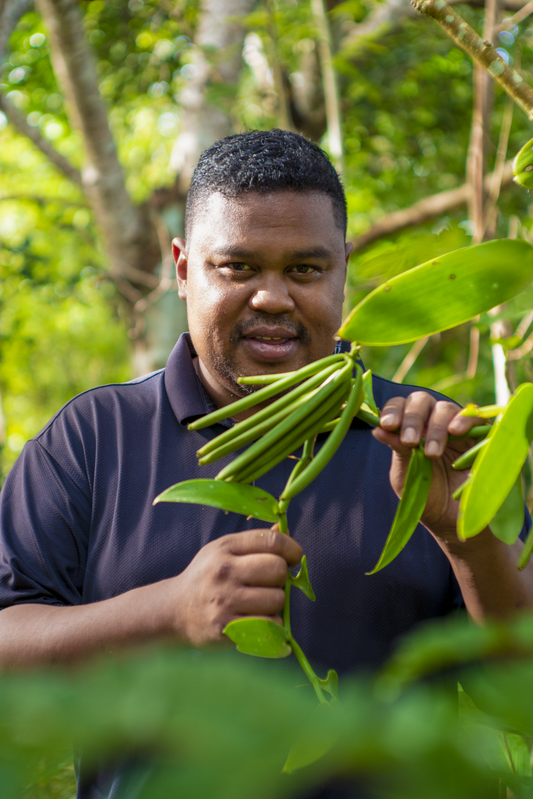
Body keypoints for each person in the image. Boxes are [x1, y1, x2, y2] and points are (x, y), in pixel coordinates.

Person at [0, 129, 532, 798]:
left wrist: (469, 536)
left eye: (304, 270)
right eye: (239, 267)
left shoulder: (432, 443)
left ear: (341, 268)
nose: (273, 298)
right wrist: (165, 613)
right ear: (183, 267)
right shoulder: (93, 438)